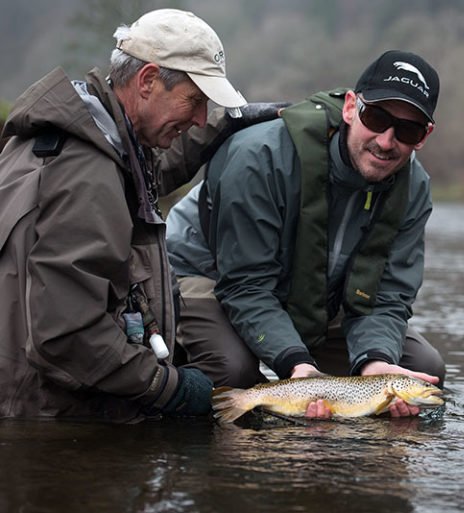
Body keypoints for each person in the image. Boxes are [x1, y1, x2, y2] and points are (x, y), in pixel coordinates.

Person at [0, 9, 282, 422]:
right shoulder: (86, 175)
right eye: (196, 101)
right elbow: (67, 335)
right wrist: (171, 389)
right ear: (148, 80)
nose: (201, 117)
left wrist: (227, 123)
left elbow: (148, 175)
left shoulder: (91, 138)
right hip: (42, 419)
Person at [165, 50, 446, 418]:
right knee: (235, 375)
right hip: (210, 277)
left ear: (424, 136)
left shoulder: (414, 189)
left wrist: (375, 362)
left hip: (311, 295)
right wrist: (296, 365)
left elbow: (387, 297)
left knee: (425, 366)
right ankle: (176, 365)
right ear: (350, 108)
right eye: (376, 117)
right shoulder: (259, 157)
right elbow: (245, 286)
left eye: (407, 130)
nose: (386, 140)